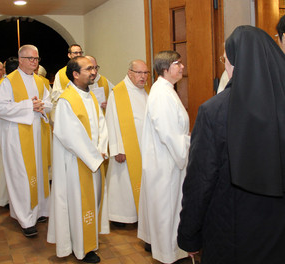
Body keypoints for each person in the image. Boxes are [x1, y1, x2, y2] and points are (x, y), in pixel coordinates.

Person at [177, 26, 285, 264]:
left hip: (232, 232)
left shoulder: (214, 111)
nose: (224, 64)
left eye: (225, 59)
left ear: (236, 63)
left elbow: (200, 181)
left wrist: (189, 235)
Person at [47, 56, 109, 263]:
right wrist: (93, 155)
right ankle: (81, 248)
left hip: (93, 160)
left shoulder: (90, 96)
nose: (93, 72)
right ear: (75, 74)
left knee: (91, 202)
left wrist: (100, 149)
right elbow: (69, 135)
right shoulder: (67, 100)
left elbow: (101, 125)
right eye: (89, 68)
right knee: (78, 204)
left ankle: (88, 242)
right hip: (75, 163)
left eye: (94, 68)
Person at [0, 45, 52, 237]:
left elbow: (50, 102)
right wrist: (30, 106)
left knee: (40, 173)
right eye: (30, 59)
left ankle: (41, 211)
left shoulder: (41, 81)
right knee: (22, 177)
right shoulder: (8, 82)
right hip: (17, 137)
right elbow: (1, 108)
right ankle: (25, 219)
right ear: (20, 59)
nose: (34, 62)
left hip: (38, 134)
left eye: (36, 59)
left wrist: (42, 105)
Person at [137, 51, 190, 264]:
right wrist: (187, 147)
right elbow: (168, 132)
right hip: (167, 159)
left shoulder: (166, 90)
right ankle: (168, 253)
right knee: (167, 208)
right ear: (165, 68)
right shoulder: (161, 93)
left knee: (164, 206)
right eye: (178, 64)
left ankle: (163, 245)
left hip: (166, 156)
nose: (182, 67)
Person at [105, 60, 149, 226]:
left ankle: (139, 214)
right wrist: (117, 149)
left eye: (146, 73)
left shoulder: (146, 91)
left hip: (143, 146)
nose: (143, 77)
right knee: (122, 183)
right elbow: (112, 121)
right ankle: (120, 217)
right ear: (130, 73)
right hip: (126, 148)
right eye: (139, 73)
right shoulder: (118, 92)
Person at [0, 57, 19, 207]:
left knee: (4, 167)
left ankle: (4, 198)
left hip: (2, 130)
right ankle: (5, 198)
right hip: (8, 131)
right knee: (7, 167)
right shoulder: (1, 86)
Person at [50, 44, 83, 121]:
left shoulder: (86, 72)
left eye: (80, 52)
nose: (78, 55)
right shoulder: (61, 73)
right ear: (69, 55)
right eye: (75, 53)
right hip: (66, 112)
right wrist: (72, 93)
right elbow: (55, 94)